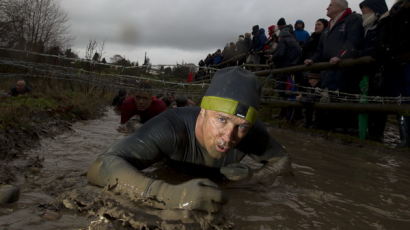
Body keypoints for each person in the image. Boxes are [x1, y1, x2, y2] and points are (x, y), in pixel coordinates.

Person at [87, 67, 291, 213]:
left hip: (214, 175)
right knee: (134, 129)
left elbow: (282, 161)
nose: (228, 137)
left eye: (242, 127)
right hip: (170, 163)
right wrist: (166, 193)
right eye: (221, 120)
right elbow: (100, 165)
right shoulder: (170, 128)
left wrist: (254, 178)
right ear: (202, 112)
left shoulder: (255, 133)